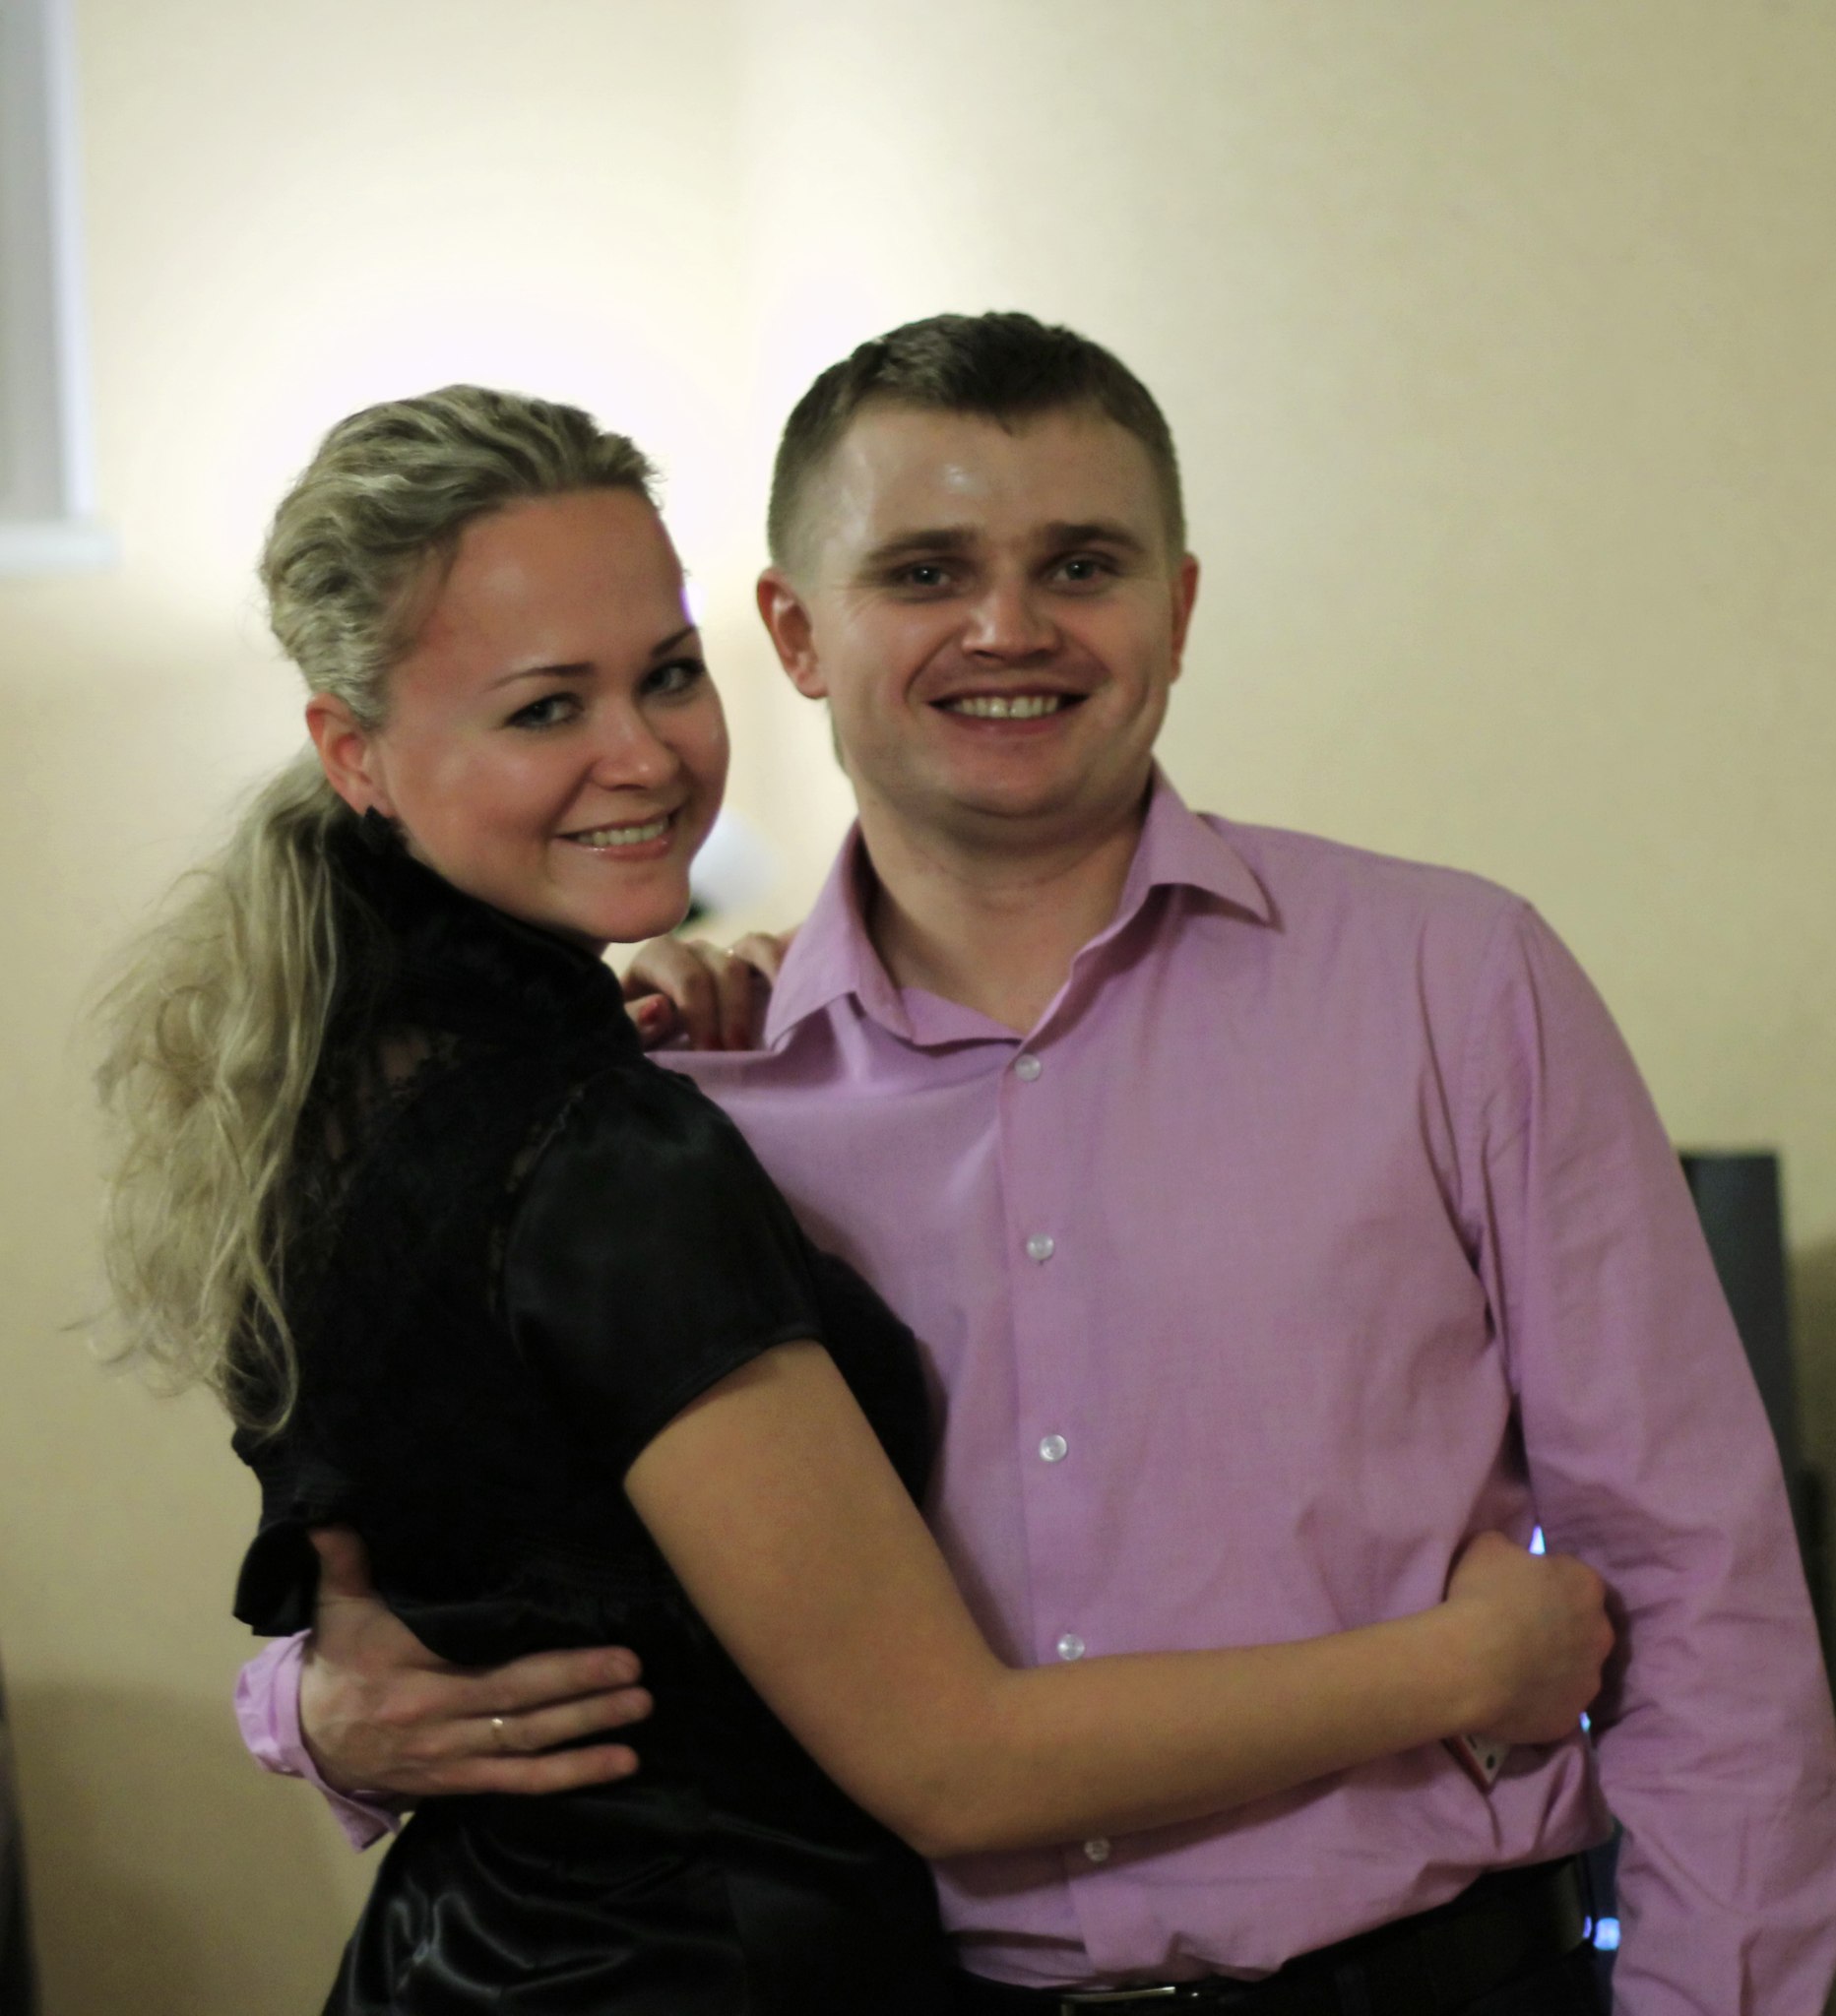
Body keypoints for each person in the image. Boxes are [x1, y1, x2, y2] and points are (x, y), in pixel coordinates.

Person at [233, 322, 1836, 2014]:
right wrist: (311, 1714)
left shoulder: (1454, 982)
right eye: (925, 571)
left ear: (1177, 608)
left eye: (1079, 564)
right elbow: (475, 1550)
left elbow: (1701, 1586)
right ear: (795, 630)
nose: (1009, 629)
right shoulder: (680, 1097)